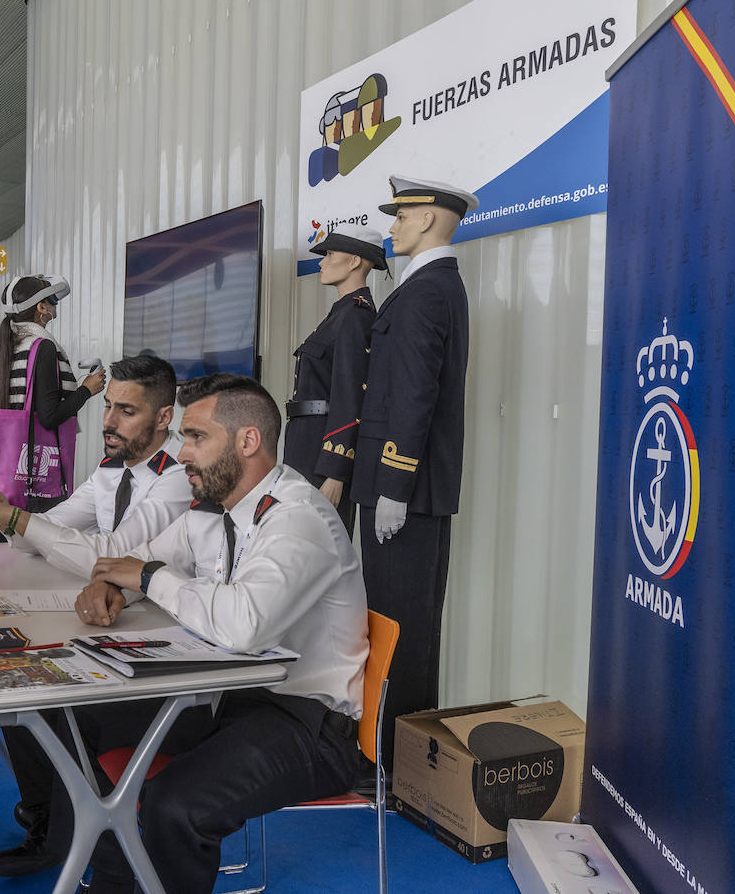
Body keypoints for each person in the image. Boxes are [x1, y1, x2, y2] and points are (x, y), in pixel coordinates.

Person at [47, 373, 369, 894]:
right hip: (230, 695)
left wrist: (146, 579)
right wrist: (115, 588)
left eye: (196, 437)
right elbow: (147, 560)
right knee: (78, 720)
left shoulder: (300, 519)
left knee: (177, 804)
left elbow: (242, 624)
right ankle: (113, 881)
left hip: (308, 721)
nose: (180, 455)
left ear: (248, 441)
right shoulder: (216, 512)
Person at [0, 354, 192, 877]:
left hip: (166, 639)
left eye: (126, 411)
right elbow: (48, 534)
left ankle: (67, 834)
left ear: (164, 418)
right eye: (107, 407)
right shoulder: (109, 471)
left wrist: (15, 519)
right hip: (114, 619)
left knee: (57, 703)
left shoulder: (175, 479)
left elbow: (110, 552)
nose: (107, 422)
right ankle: (46, 819)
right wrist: (12, 516)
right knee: (13, 676)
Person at [352, 175, 476, 769]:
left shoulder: (427, 291)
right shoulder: (428, 286)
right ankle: (400, 761)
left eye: (401, 217)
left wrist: (394, 485)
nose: (392, 227)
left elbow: (414, 395)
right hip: (402, 486)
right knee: (400, 623)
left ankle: (395, 765)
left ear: (427, 219)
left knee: (400, 629)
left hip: (405, 490)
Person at [283, 226, 383, 536]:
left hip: (321, 456)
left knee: (320, 550)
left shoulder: (355, 316)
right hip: (306, 446)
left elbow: (351, 396)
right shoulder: (340, 313)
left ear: (355, 261)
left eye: (329, 255)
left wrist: (336, 472)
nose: (322, 262)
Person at [0, 275, 104, 516]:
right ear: (41, 307)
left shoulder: (2, 347)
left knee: (1, 551)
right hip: (35, 474)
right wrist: (87, 390)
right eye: (53, 302)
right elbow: (49, 416)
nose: (55, 311)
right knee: (32, 549)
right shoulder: (42, 346)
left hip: (2, 469)